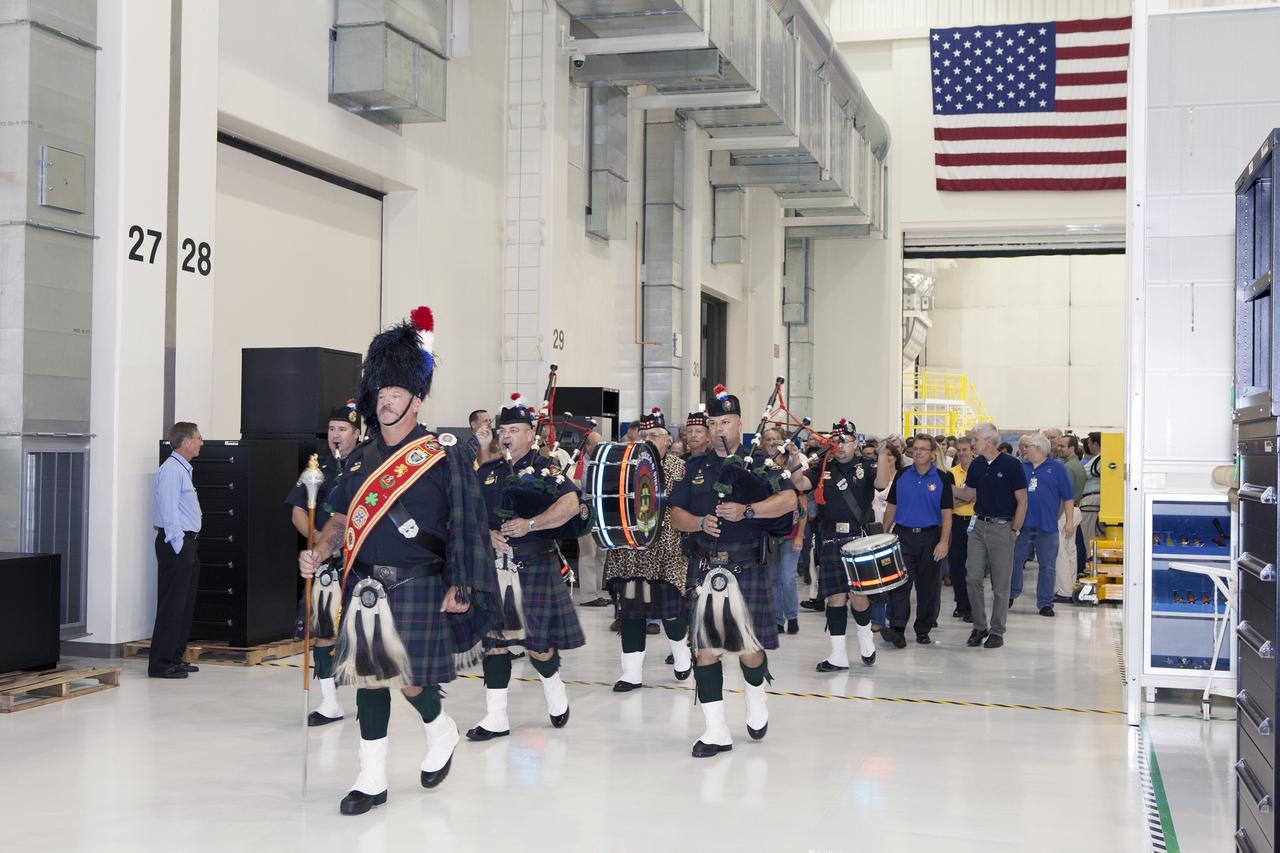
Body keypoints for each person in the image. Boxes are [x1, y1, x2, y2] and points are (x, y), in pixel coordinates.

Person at [298, 306, 499, 816]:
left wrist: (464, 585)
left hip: (419, 583)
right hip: (364, 585)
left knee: (411, 680)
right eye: (380, 394)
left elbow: (467, 525)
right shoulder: (360, 458)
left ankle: (441, 727)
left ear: (416, 397)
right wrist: (320, 549)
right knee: (368, 678)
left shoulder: (442, 454)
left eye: (395, 394)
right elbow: (342, 518)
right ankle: (371, 778)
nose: (386, 403)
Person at [668, 384, 797, 758]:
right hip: (707, 566)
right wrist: (698, 522)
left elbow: (789, 499)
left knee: (747, 650)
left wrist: (749, 511)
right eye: (714, 422)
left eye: (726, 421)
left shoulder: (761, 463)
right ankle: (716, 730)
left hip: (747, 566)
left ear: (739, 423)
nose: (720, 428)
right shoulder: (696, 467)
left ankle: (756, 698)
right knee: (705, 650)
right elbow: (675, 514)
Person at [469, 394, 588, 741]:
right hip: (496, 567)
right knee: (495, 642)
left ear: (530, 432)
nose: (506, 436)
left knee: (539, 647)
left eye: (515, 429)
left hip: (534, 564)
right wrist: (487, 534)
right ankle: (496, 718)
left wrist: (530, 525)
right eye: (503, 429)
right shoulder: (488, 472)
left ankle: (554, 689)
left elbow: (569, 505)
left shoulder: (547, 467)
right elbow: (469, 513)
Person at [604, 408, 694, 690]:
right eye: (643, 435)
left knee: (670, 608)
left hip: (667, 549)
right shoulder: (624, 466)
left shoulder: (680, 468)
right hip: (631, 552)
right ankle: (631, 673)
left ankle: (682, 656)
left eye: (655, 435)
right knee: (631, 610)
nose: (649, 439)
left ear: (668, 440)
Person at [285, 400, 362, 724]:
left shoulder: (368, 465)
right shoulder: (318, 469)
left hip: (362, 565)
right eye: (332, 429)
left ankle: (370, 697)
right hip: (327, 565)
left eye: (342, 429)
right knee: (323, 632)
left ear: (357, 433)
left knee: (363, 635)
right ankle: (330, 702)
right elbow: (297, 510)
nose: (336, 435)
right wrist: (320, 540)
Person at [793, 420, 880, 665]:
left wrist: (885, 458)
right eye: (836, 441)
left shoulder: (866, 466)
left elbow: (882, 484)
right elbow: (799, 483)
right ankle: (838, 654)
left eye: (845, 441)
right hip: (830, 539)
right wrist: (794, 459)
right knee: (835, 597)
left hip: (858, 539)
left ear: (856, 443)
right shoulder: (822, 466)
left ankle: (865, 641)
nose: (840, 446)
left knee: (859, 595)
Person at [952, 422, 1027, 649]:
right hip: (978, 527)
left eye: (974, 439)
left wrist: (1015, 529)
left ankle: (997, 630)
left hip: (1003, 528)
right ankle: (979, 626)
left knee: (1000, 583)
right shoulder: (976, 466)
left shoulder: (1012, 465)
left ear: (988, 440)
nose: (971, 443)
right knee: (972, 577)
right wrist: (945, 483)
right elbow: (967, 494)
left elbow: (1023, 500)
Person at [882, 434, 954, 645]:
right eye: (916, 448)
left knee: (927, 587)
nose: (919, 452)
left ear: (932, 454)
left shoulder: (942, 478)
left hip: (930, 537)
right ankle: (897, 628)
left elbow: (947, 514)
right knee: (900, 583)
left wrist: (943, 542)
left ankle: (923, 628)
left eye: (924, 449)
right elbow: (892, 507)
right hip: (903, 536)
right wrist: (884, 534)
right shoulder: (903, 475)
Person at [149, 422, 205, 680]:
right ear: (185, 442)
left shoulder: (182, 469)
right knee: (173, 605)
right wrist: (180, 544)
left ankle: (175, 657)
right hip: (177, 544)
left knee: (184, 604)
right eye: (198, 438)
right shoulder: (172, 471)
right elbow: (169, 511)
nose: (201, 442)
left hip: (186, 543)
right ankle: (161, 664)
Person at [1010, 433, 1074, 617]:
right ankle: (1011, 593)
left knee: (1047, 566)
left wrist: (1069, 522)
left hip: (1047, 527)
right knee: (1014, 561)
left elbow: (1068, 498)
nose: (1024, 449)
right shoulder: (1021, 467)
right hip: (1023, 526)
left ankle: (1045, 603)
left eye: (1028, 446)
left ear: (1039, 449)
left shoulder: (1057, 469)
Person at [760, 427, 806, 636]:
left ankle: (792, 616)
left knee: (787, 577)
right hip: (769, 534)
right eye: (768, 439)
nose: (772, 443)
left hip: (791, 532)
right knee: (773, 579)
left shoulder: (792, 468)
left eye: (776, 439)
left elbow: (803, 502)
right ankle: (777, 619)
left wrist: (799, 535)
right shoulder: (759, 468)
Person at [1054, 433, 1087, 601]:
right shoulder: (1078, 465)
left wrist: (1056, 517)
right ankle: (1070, 585)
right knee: (1070, 551)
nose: (1058, 449)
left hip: (1066, 513)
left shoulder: (1067, 468)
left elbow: (1063, 496)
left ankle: (1063, 590)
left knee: (1060, 552)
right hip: (1075, 511)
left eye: (1062, 446)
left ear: (1072, 448)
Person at [948, 437, 976, 621]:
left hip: (976, 522)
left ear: (972, 450)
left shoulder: (980, 470)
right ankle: (961, 603)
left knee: (973, 567)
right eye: (959, 450)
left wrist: (965, 497)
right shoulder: (951, 473)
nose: (962, 453)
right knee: (957, 565)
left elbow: (979, 497)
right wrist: (967, 498)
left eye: (965, 449)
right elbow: (949, 501)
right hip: (957, 522)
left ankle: (973, 605)